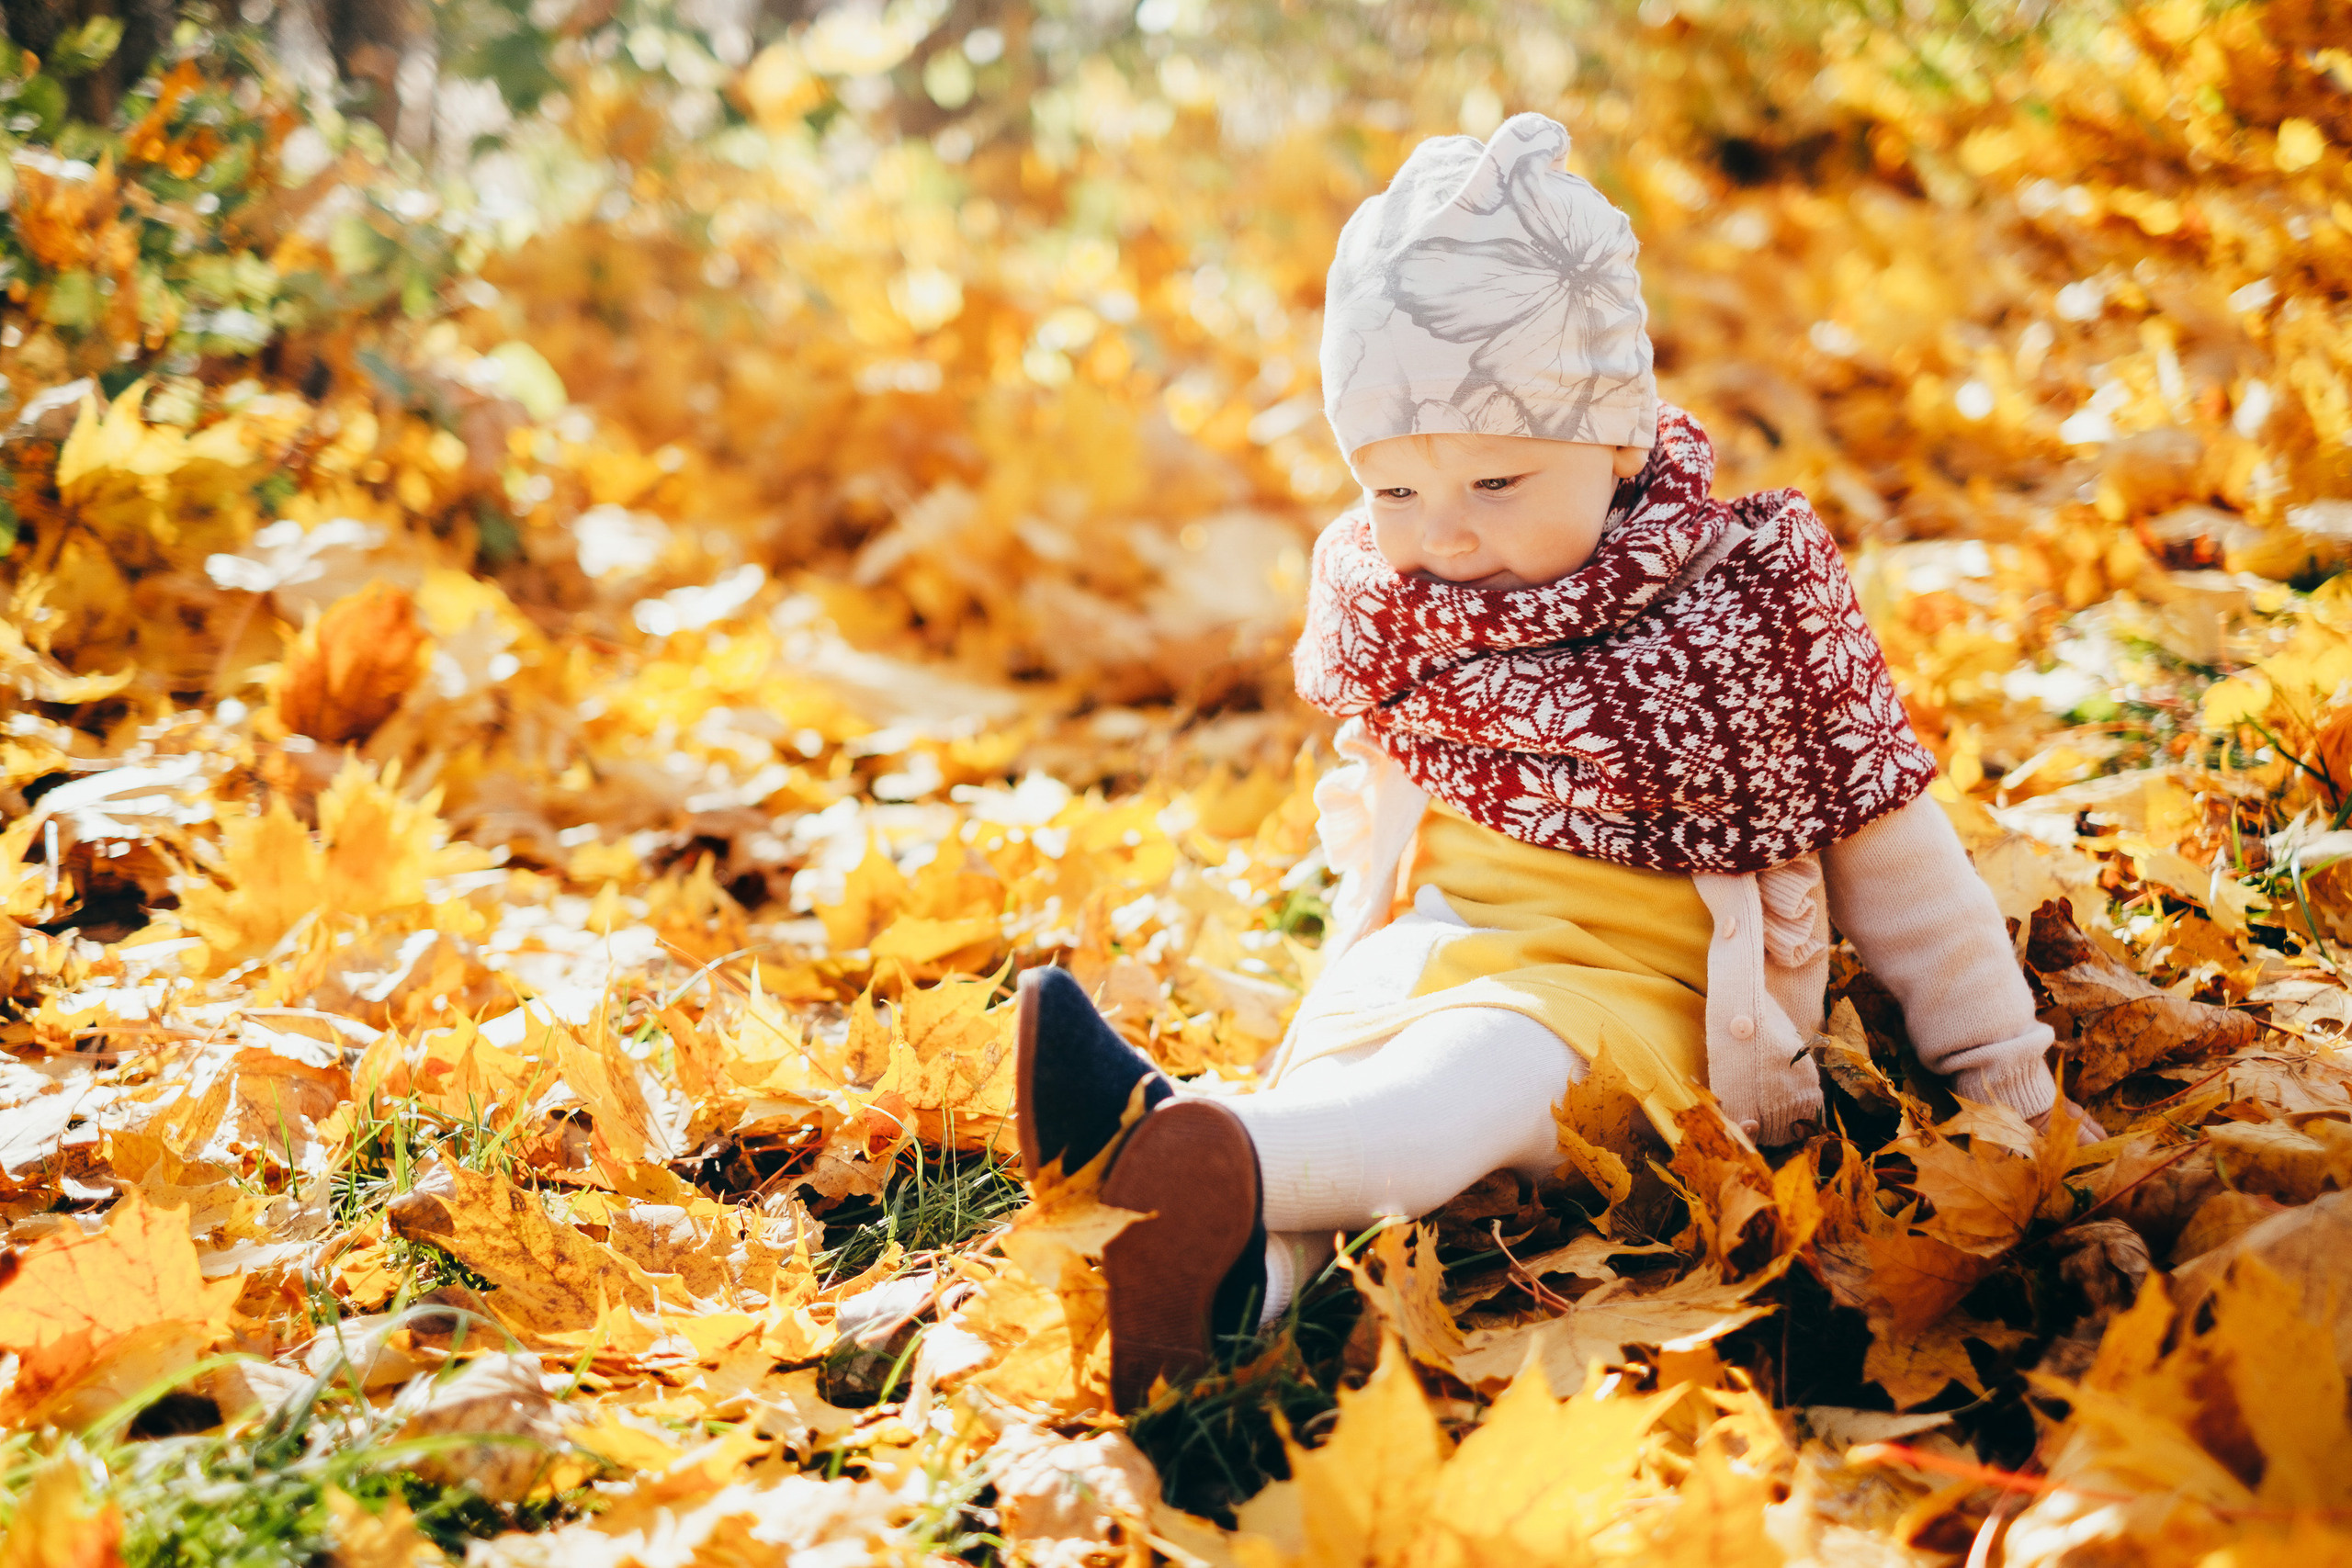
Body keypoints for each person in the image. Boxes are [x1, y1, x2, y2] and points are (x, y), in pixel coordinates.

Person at [1012, 112, 2079, 1414]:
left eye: (1497, 481)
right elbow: (1391, 823)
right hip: (1440, 946)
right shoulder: (1396, 600)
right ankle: (1237, 1281)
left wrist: (2005, 1082)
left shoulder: (1749, 604)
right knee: (1380, 1074)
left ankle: (1196, 1142)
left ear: (1619, 438)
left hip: (1634, 1008)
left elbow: (1903, 865)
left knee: (1473, 1081)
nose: (1445, 536)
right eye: (1394, 492)